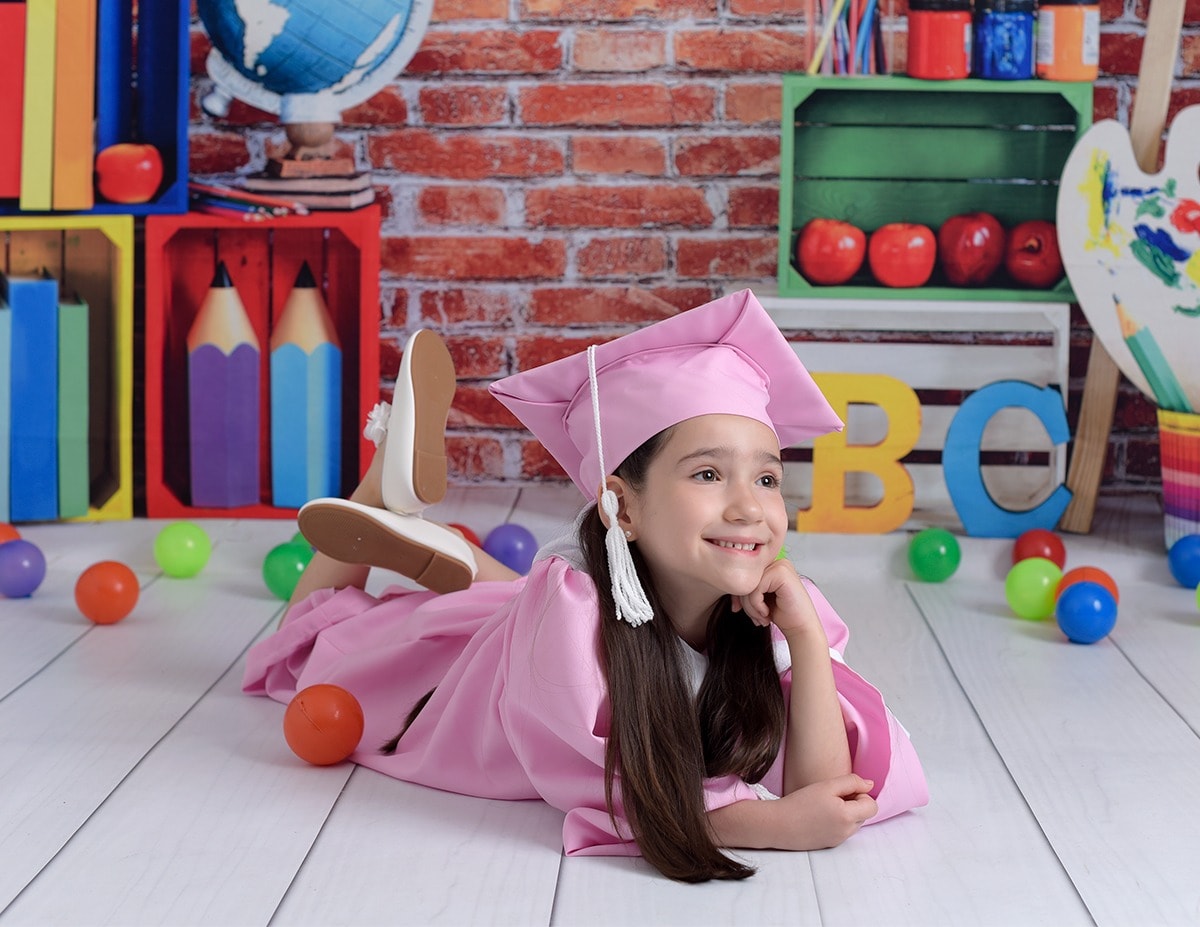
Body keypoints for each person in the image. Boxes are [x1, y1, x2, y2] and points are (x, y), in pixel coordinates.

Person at [243, 289, 928, 883]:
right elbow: (607, 787)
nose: (750, 506)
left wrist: (806, 638)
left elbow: (825, 793)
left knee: (509, 602)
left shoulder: (778, 605)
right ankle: (376, 488)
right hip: (487, 687)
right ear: (622, 506)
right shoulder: (569, 618)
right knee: (317, 644)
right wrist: (760, 823)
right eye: (709, 474)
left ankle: (452, 555)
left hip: (539, 612)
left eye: (768, 477)